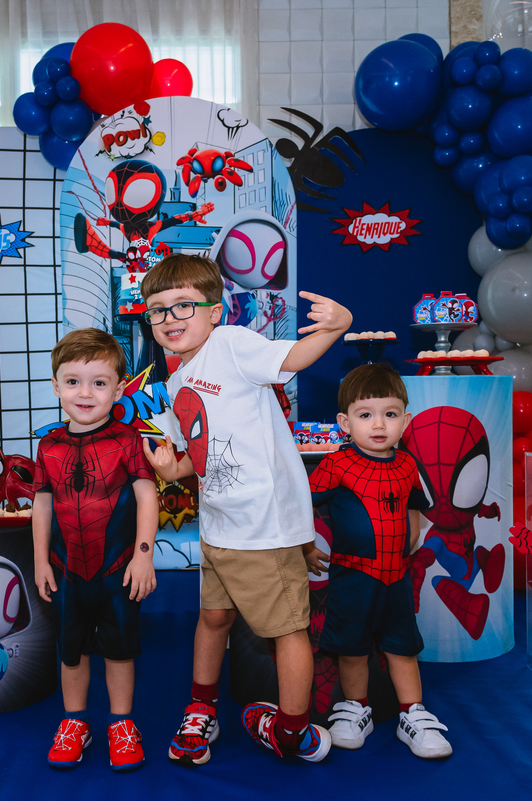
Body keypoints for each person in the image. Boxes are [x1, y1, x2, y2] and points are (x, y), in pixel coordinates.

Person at [139, 253, 352, 765]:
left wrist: (338, 326)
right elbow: (198, 457)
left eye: (183, 305)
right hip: (219, 527)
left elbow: (293, 359)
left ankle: (293, 731)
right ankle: (201, 708)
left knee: (286, 630)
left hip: (261, 528)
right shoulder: (177, 380)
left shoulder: (231, 345)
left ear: (215, 311)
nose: (169, 318)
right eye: (158, 309)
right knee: (213, 618)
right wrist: (170, 467)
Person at [308, 363, 452, 759]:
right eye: (365, 414)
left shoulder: (407, 464)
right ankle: (356, 709)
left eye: (389, 414)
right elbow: (301, 504)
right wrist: (304, 546)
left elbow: (415, 504)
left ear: (405, 420)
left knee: (403, 646)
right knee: (352, 647)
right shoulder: (336, 464)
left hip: (397, 577)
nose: (378, 424)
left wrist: (413, 532)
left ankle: (413, 713)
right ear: (344, 422)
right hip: (352, 577)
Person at [31, 328, 159, 772]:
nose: (85, 393)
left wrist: (143, 554)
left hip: (118, 569)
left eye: (99, 383)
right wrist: (40, 560)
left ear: (119, 389)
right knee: (72, 651)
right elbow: (42, 504)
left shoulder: (128, 440)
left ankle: (121, 723)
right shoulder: (48, 446)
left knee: (120, 650)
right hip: (66, 570)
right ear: (56, 386)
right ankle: (75, 722)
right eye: (73, 382)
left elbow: (147, 496)